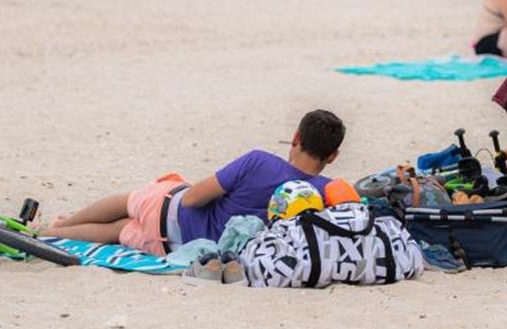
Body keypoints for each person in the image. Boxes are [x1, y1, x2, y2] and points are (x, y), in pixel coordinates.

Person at [39, 109, 346, 256]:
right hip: (178, 245)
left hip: (173, 214)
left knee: (133, 200)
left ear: (295, 137)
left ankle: (55, 228)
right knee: (117, 231)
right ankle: (54, 231)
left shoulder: (259, 161)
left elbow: (192, 199)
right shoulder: (321, 192)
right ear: (332, 156)